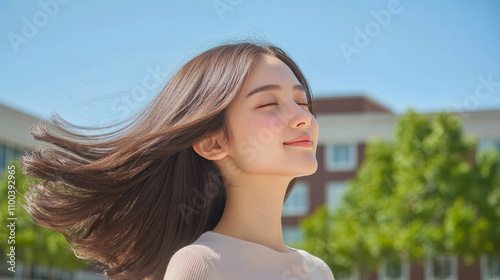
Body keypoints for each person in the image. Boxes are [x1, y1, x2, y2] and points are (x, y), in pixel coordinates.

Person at [21, 40, 335, 280]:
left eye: (302, 101)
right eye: (268, 103)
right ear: (213, 142)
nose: (302, 118)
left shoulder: (318, 270)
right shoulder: (202, 266)